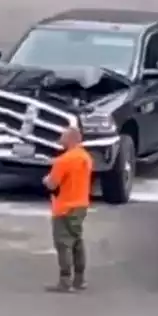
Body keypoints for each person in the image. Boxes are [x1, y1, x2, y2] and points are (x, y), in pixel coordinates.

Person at [42, 125, 93, 292]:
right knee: (77, 241)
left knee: (63, 244)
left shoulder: (63, 160)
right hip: (81, 205)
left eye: (63, 136)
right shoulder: (86, 158)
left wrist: (46, 179)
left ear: (71, 139)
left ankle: (65, 281)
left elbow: (52, 184)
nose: (60, 139)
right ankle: (80, 279)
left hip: (64, 207)